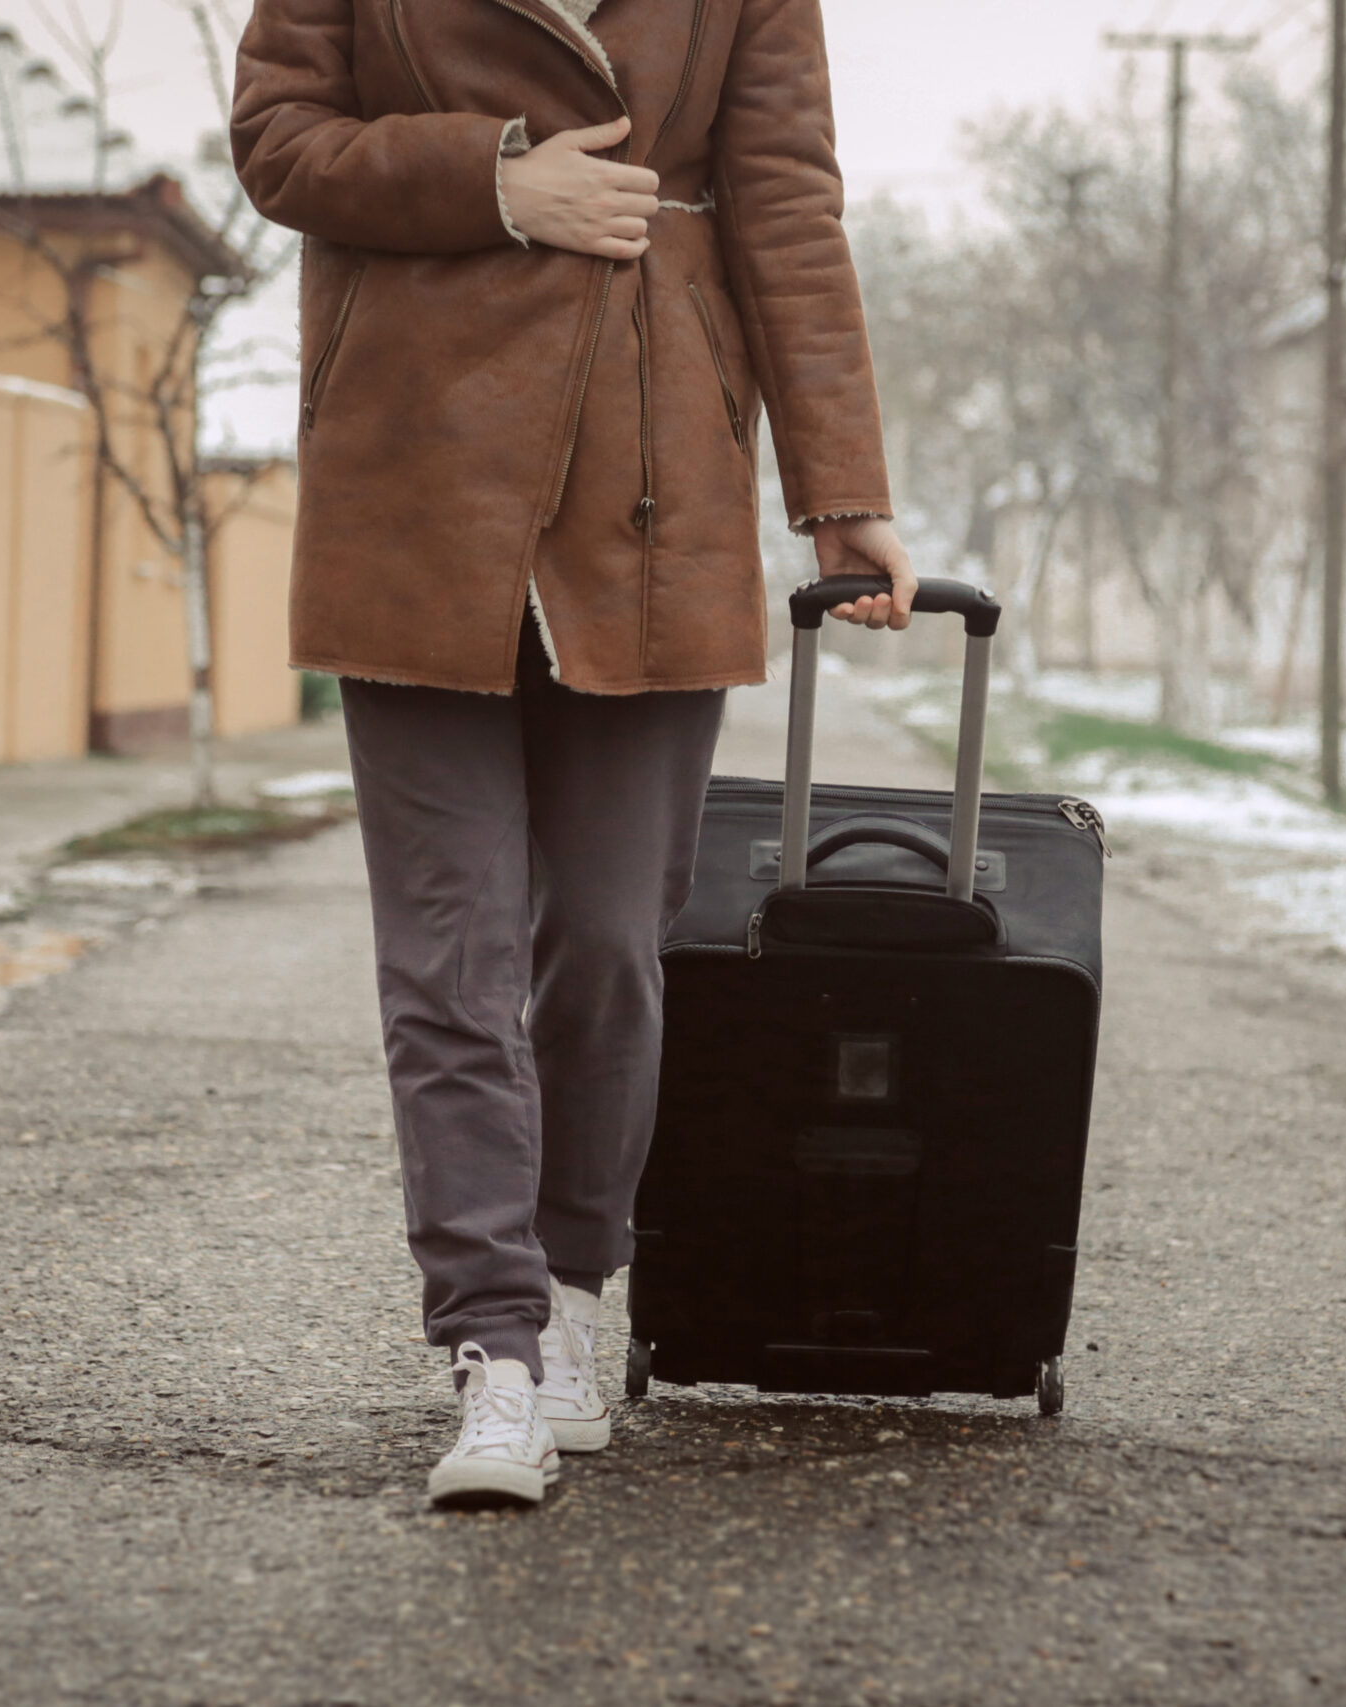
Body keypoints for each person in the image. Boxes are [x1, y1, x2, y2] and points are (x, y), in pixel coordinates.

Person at [232, 0, 914, 1507]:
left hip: (655, 485)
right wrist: (494, 178)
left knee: (609, 940)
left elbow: (789, 204)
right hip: (412, 475)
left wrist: (839, 484)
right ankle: (496, 1352)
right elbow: (275, 143)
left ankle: (576, 1293)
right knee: (451, 953)